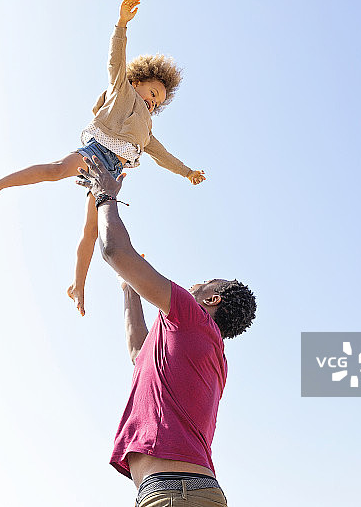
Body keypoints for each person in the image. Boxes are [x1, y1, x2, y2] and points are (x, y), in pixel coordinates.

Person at [0, 0, 206, 317]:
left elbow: (163, 156)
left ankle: (77, 285)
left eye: (156, 103)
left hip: (111, 175)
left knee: (92, 231)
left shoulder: (146, 132)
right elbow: (115, 60)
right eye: (151, 94)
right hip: (96, 153)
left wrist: (187, 171)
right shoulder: (123, 88)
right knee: (56, 170)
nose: (151, 104)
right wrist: (121, 24)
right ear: (137, 82)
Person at [78, 155, 257, 507]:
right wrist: (129, 286)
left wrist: (106, 196)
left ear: (213, 298)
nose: (196, 284)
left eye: (204, 283)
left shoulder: (192, 318)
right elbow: (138, 352)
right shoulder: (208, 350)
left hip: (175, 493)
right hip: (186, 490)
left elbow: (115, 250)